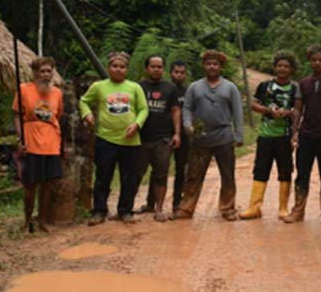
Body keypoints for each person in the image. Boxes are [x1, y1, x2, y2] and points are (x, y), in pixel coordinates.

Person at [79, 52, 148, 226]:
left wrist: (137, 124)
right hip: (106, 139)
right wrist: (87, 114)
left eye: (122, 67)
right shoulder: (99, 86)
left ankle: (125, 211)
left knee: (129, 178)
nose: (118, 69)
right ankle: (99, 211)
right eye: (115, 66)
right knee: (103, 176)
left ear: (127, 69)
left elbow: (143, 109)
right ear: (109, 68)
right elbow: (83, 101)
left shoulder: (134, 87)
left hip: (130, 141)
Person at [173, 50, 244, 221]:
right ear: (204, 66)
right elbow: (187, 108)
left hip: (224, 136)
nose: (212, 66)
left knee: (227, 174)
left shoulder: (230, 87)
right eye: (208, 64)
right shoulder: (195, 87)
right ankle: (186, 208)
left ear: (220, 67)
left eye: (215, 64)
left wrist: (239, 135)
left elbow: (238, 112)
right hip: (200, 137)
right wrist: (188, 125)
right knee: (194, 174)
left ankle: (227, 208)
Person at [283, 45, 321, 224]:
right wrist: (295, 132)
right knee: (302, 174)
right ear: (309, 61)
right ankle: (298, 210)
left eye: (320, 60)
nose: (317, 63)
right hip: (306, 135)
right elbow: (297, 109)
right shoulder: (303, 84)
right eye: (314, 60)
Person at [239, 51, 299, 220]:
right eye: (279, 65)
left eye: (286, 66)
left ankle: (283, 208)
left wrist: (287, 113)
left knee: (285, 170)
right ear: (274, 67)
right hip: (265, 135)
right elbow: (253, 104)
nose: (282, 69)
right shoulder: (264, 86)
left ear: (291, 69)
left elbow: (299, 111)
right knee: (260, 170)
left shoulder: (295, 89)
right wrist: (268, 111)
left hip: (285, 136)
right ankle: (254, 207)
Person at [13, 57, 65, 233]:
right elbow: (16, 115)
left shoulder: (57, 93)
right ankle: (27, 220)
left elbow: (57, 117)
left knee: (48, 185)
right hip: (31, 142)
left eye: (48, 71)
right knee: (30, 185)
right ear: (35, 73)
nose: (45, 75)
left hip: (51, 144)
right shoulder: (24, 90)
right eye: (42, 71)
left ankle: (43, 221)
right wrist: (20, 139)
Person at [136, 60, 190, 216]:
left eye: (182, 72)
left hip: (175, 136)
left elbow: (180, 111)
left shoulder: (184, 90)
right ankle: (147, 204)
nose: (179, 75)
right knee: (147, 172)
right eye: (176, 72)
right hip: (152, 136)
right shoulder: (141, 87)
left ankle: (176, 205)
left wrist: (181, 132)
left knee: (176, 171)